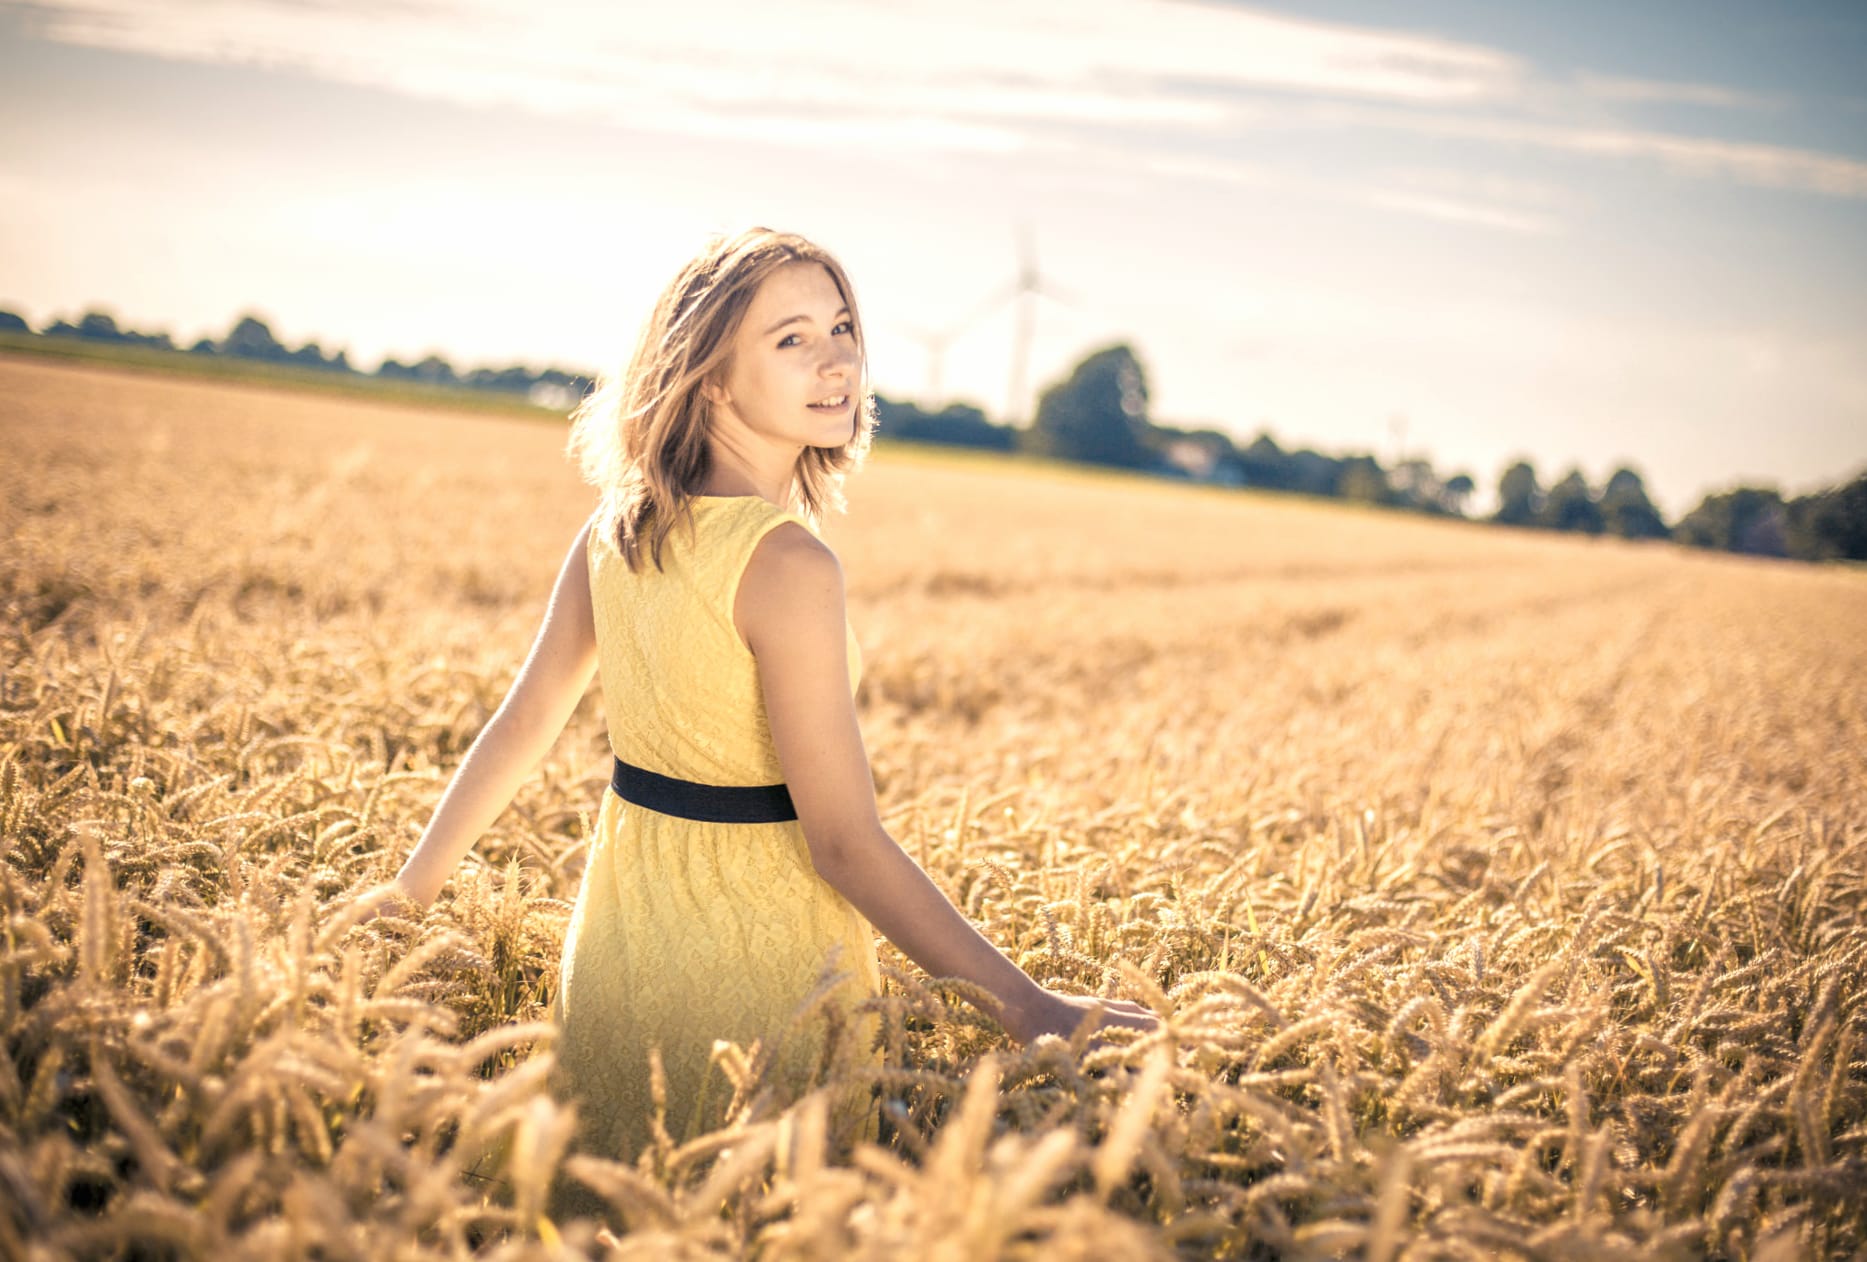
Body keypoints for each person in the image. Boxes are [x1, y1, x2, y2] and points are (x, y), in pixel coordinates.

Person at [370, 226, 1159, 1202]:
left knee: (601, 1213)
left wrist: (406, 893)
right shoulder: (787, 563)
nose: (837, 359)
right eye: (790, 339)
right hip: (762, 980)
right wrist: (1029, 1004)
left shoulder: (617, 527)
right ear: (707, 377)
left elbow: (523, 724)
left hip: (615, 952)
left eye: (841, 327)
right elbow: (842, 843)